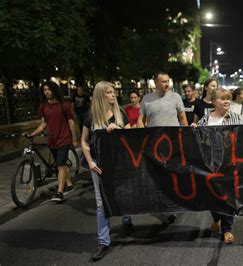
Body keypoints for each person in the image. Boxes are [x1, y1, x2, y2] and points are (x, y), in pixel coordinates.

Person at [81, 81, 133, 262]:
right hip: (98, 164)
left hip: (119, 162)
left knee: (122, 192)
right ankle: (103, 241)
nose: (114, 95)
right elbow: (84, 141)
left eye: (114, 92)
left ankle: (126, 217)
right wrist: (89, 162)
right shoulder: (90, 116)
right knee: (101, 202)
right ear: (100, 95)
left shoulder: (121, 114)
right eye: (109, 93)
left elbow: (131, 138)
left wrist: (118, 130)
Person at [192, 88, 243, 244]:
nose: (227, 101)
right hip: (210, 164)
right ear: (214, 101)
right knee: (213, 195)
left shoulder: (236, 118)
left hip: (229, 164)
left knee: (228, 197)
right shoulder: (205, 119)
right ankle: (216, 218)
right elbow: (198, 140)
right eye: (223, 99)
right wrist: (194, 130)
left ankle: (227, 229)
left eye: (228, 98)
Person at [137, 71, 188, 223]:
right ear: (156, 83)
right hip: (154, 144)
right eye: (163, 81)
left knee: (172, 174)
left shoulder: (176, 97)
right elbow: (141, 120)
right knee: (157, 176)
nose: (167, 84)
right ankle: (163, 205)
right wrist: (142, 136)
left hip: (173, 143)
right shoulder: (147, 99)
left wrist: (186, 138)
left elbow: (182, 118)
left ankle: (172, 205)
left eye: (168, 81)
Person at [30, 81, 77, 202]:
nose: (47, 92)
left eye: (49, 89)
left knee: (60, 164)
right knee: (60, 163)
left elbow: (71, 121)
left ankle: (59, 192)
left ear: (54, 90)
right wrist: (34, 133)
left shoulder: (64, 105)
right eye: (45, 90)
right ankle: (69, 184)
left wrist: (74, 138)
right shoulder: (43, 106)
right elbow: (44, 123)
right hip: (51, 139)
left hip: (63, 138)